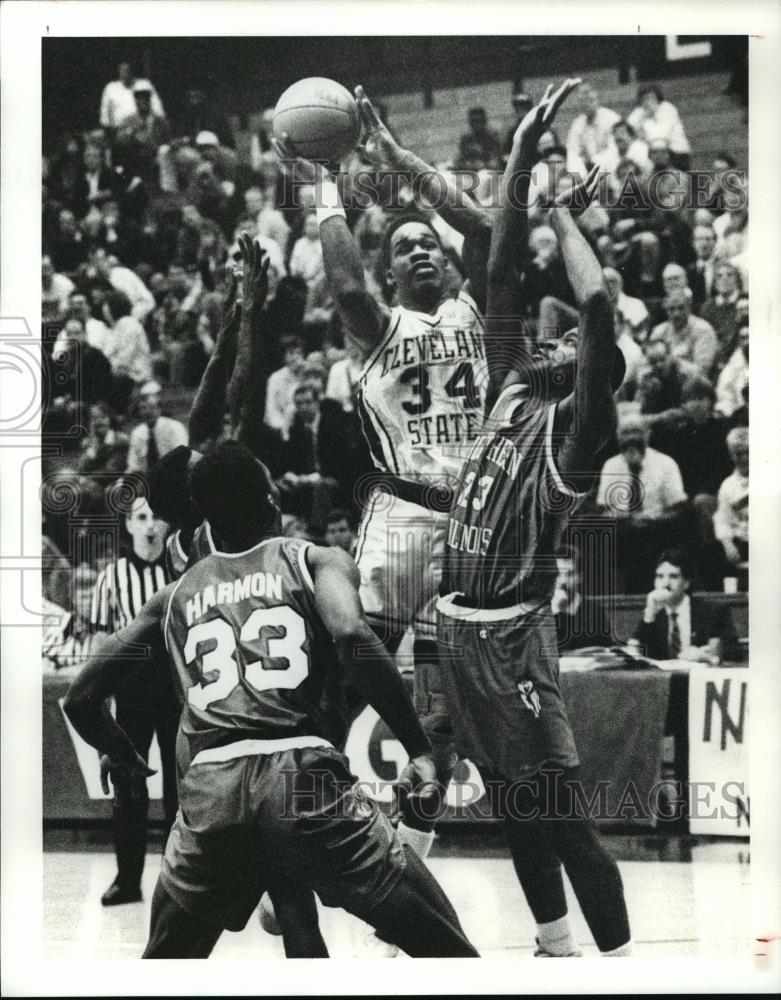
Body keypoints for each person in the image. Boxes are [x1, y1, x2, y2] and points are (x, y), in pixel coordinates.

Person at [64, 442, 479, 959]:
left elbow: (80, 699)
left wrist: (123, 754)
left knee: (164, 966)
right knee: (449, 952)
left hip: (211, 791)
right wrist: (417, 747)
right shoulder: (313, 560)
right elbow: (351, 634)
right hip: (301, 778)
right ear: (269, 500)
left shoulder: (171, 595)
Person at [273, 87, 493, 875]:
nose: (420, 251)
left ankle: (409, 859)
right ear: (391, 271)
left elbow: (490, 229)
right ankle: (297, 841)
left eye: (427, 242)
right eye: (402, 247)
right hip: (400, 523)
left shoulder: (476, 314)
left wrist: (405, 167)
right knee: (341, 690)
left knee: (442, 720)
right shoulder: (376, 327)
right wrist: (325, 184)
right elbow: (346, 284)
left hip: (472, 531)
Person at [437, 79, 632, 958]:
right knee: (514, 807)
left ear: (589, 366)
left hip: (514, 640)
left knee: (561, 814)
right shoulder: (511, 381)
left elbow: (594, 307)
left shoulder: (579, 433)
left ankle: (624, 962)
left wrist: (560, 209)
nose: (551, 337)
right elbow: (500, 269)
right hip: (454, 631)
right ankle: (553, 948)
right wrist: (519, 155)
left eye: (571, 346)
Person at [89, 496, 177, 906]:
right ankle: (128, 879)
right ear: (127, 525)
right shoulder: (112, 577)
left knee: (182, 787)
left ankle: (180, 878)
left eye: (156, 516)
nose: (149, 525)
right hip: (131, 690)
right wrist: (100, 703)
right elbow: (99, 645)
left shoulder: (181, 570)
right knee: (128, 784)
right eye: (141, 517)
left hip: (176, 687)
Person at [596, 415, 688, 592]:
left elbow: (679, 508)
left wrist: (654, 518)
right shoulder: (611, 466)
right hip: (622, 529)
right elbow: (603, 510)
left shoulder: (665, 464)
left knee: (650, 537)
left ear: (647, 434)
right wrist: (619, 517)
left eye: (636, 431)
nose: (631, 438)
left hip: (656, 527)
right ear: (617, 437)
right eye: (625, 433)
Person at [635, 548, 739, 662]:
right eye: (660, 576)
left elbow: (734, 653)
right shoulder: (653, 613)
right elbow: (640, 656)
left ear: (686, 583)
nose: (665, 583)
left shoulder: (713, 611)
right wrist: (649, 616)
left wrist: (707, 657)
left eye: (673, 576)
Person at [649, 289, 719, 379]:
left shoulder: (703, 330)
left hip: (694, 384)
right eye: (671, 309)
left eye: (681, 308)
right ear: (666, 311)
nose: (676, 314)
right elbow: (648, 361)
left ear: (689, 308)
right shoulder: (659, 331)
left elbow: (701, 372)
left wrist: (674, 362)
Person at [126, 381, 188, 476]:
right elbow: (133, 465)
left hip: (172, 477)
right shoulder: (137, 433)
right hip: (146, 481)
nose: (147, 412)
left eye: (152, 407)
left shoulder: (174, 427)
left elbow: (181, 458)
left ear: (160, 409)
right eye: (143, 408)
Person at [713, 426, 749, 589]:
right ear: (731, 455)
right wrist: (728, 544)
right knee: (711, 555)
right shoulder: (728, 485)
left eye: (748, 452)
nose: (744, 458)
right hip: (743, 541)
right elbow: (722, 520)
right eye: (738, 453)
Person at [627, 85, 690, 171]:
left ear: (658, 99)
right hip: (655, 156)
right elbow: (629, 127)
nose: (648, 102)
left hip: (677, 154)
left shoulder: (667, 108)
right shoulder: (640, 112)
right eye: (644, 99)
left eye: (651, 98)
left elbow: (660, 137)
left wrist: (642, 132)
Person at [565, 83, 620, 175]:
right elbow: (572, 151)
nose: (586, 103)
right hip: (587, 168)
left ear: (596, 98)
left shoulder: (612, 118)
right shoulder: (577, 124)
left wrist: (593, 160)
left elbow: (615, 149)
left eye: (589, 99)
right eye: (582, 100)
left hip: (610, 165)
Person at [455, 106, 502, 171]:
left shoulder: (492, 138)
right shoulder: (466, 140)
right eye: (474, 121)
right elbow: (460, 161)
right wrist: (472, 165)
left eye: (479, 121)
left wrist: (484, 165)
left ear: (484, 121)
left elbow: (496, 161)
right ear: (470, 123)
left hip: (488, 173)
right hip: (471, 173)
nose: (477, 124)